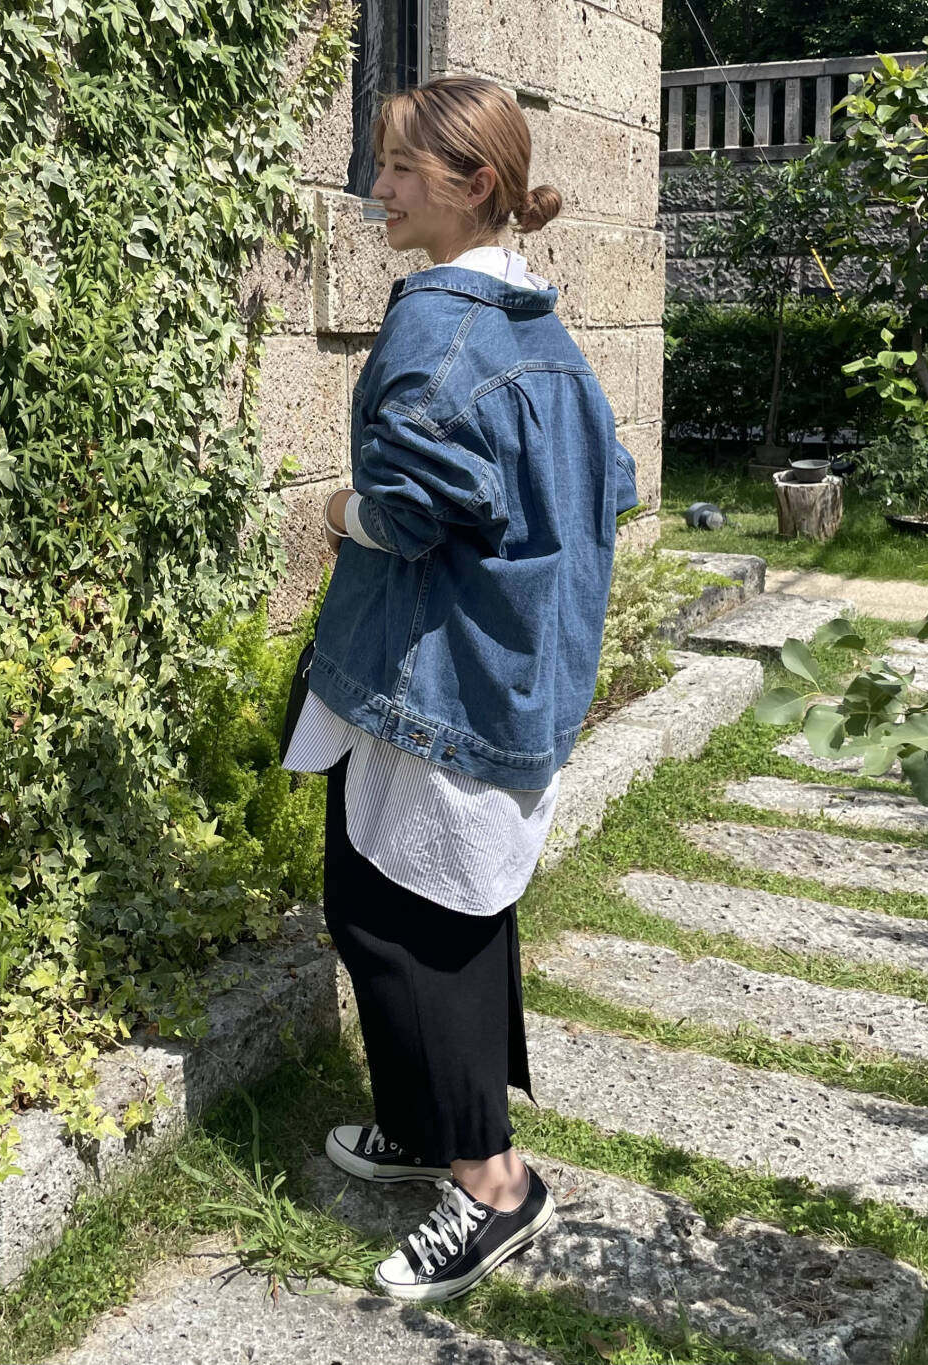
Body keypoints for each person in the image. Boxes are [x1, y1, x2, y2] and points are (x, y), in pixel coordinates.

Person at [282, 74, 638, 1304]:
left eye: (397, 168)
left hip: (439, 674)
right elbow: (614, 482)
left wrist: (337, 510)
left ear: (472, 181)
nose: (375, 188)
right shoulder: (538, 322)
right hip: (508, 670)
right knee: (408, 900)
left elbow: (414, 514)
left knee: (409, 927)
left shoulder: (435, 328)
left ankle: (490, 1182)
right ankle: (422, 1123)